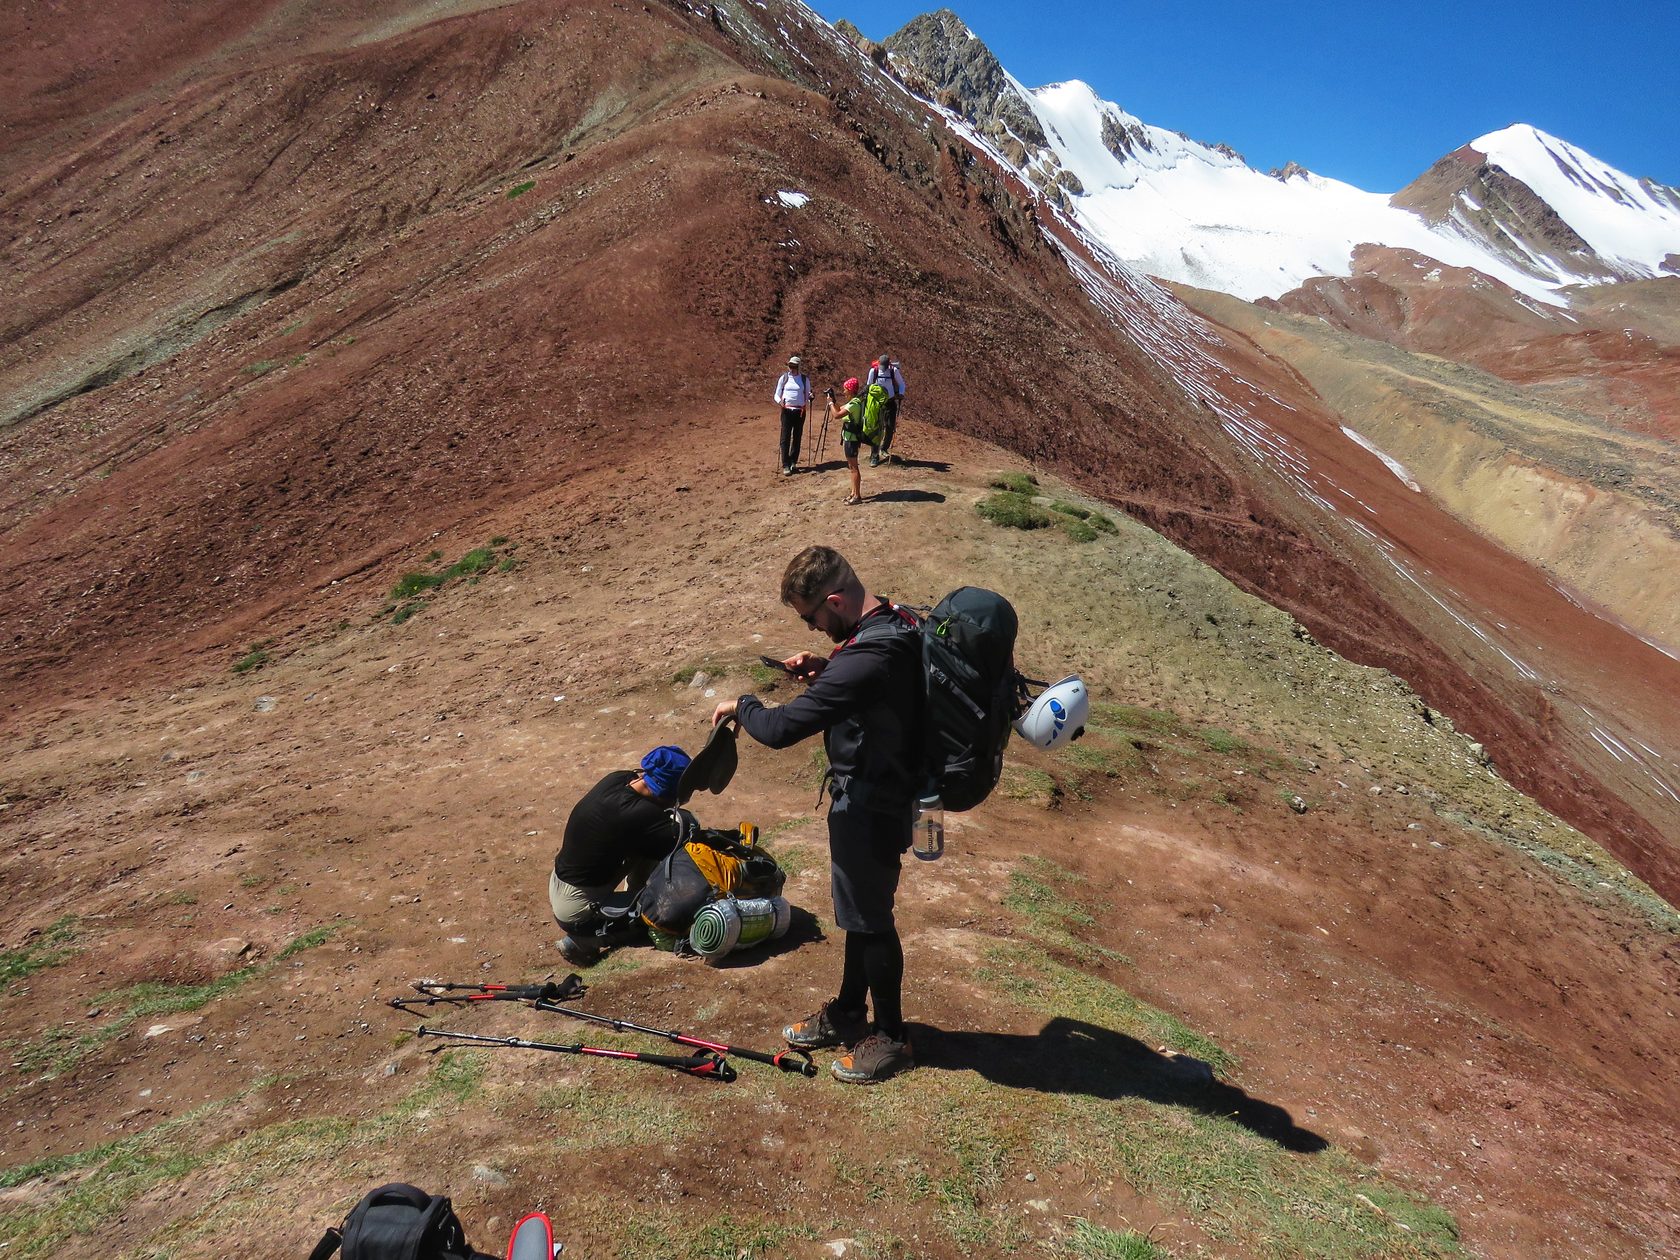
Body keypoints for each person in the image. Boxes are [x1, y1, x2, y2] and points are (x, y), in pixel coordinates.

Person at [711, 546, 921, 1083]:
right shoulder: (896, 621)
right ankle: (851, 1011)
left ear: (833, 600)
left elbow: (780, 731)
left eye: (811, 618)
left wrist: (745, 703)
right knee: (858, 911)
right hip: (882, 791)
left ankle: (892, 1038)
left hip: (872, 803)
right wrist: (829, 669)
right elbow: (882, 691)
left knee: (872, 920)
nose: (811, 628)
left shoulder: (866, 657)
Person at [550, 744, 691, 965]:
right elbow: (681, 842)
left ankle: (632, 896)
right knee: (667, 913)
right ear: (668, 791)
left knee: (648, 843)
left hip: (566, 885)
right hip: (577, 909)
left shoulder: (620, 779)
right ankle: (582, 941)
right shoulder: (637, 814)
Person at [772, 355, 812, 475]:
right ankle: (785, 464)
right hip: (786, 411)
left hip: (800, 411)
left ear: (799, 367)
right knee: (785, 437)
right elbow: (776, 394)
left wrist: (810, 398)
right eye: (790, 366)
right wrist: (780, 402)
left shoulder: (804, 379)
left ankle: (793, 461)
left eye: (794, 366)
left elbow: (808, 394)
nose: (791, 369)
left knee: (797, 436)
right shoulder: (784, 378)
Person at [865, 352, 906, 466]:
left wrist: (901, 394)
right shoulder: (874, 371)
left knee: (890, 427)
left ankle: (884, 448)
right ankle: (874, 455)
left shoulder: (893, 371)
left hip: (890, 402)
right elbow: (869, 385)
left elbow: (901, 384)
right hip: (877, 403)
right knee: (877, 429)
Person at [834, 376, 865, 505]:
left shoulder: (854, 404)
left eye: (845, 389)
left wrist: (830, 403)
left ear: (851, 390)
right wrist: (832, 401)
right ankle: (853, 492)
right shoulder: (854, 402)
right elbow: (839, 409)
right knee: (851, 467)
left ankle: (857, 496)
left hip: (851, 439)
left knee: (853, 468)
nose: (844, 392)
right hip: (849, 438)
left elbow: (836, 415)